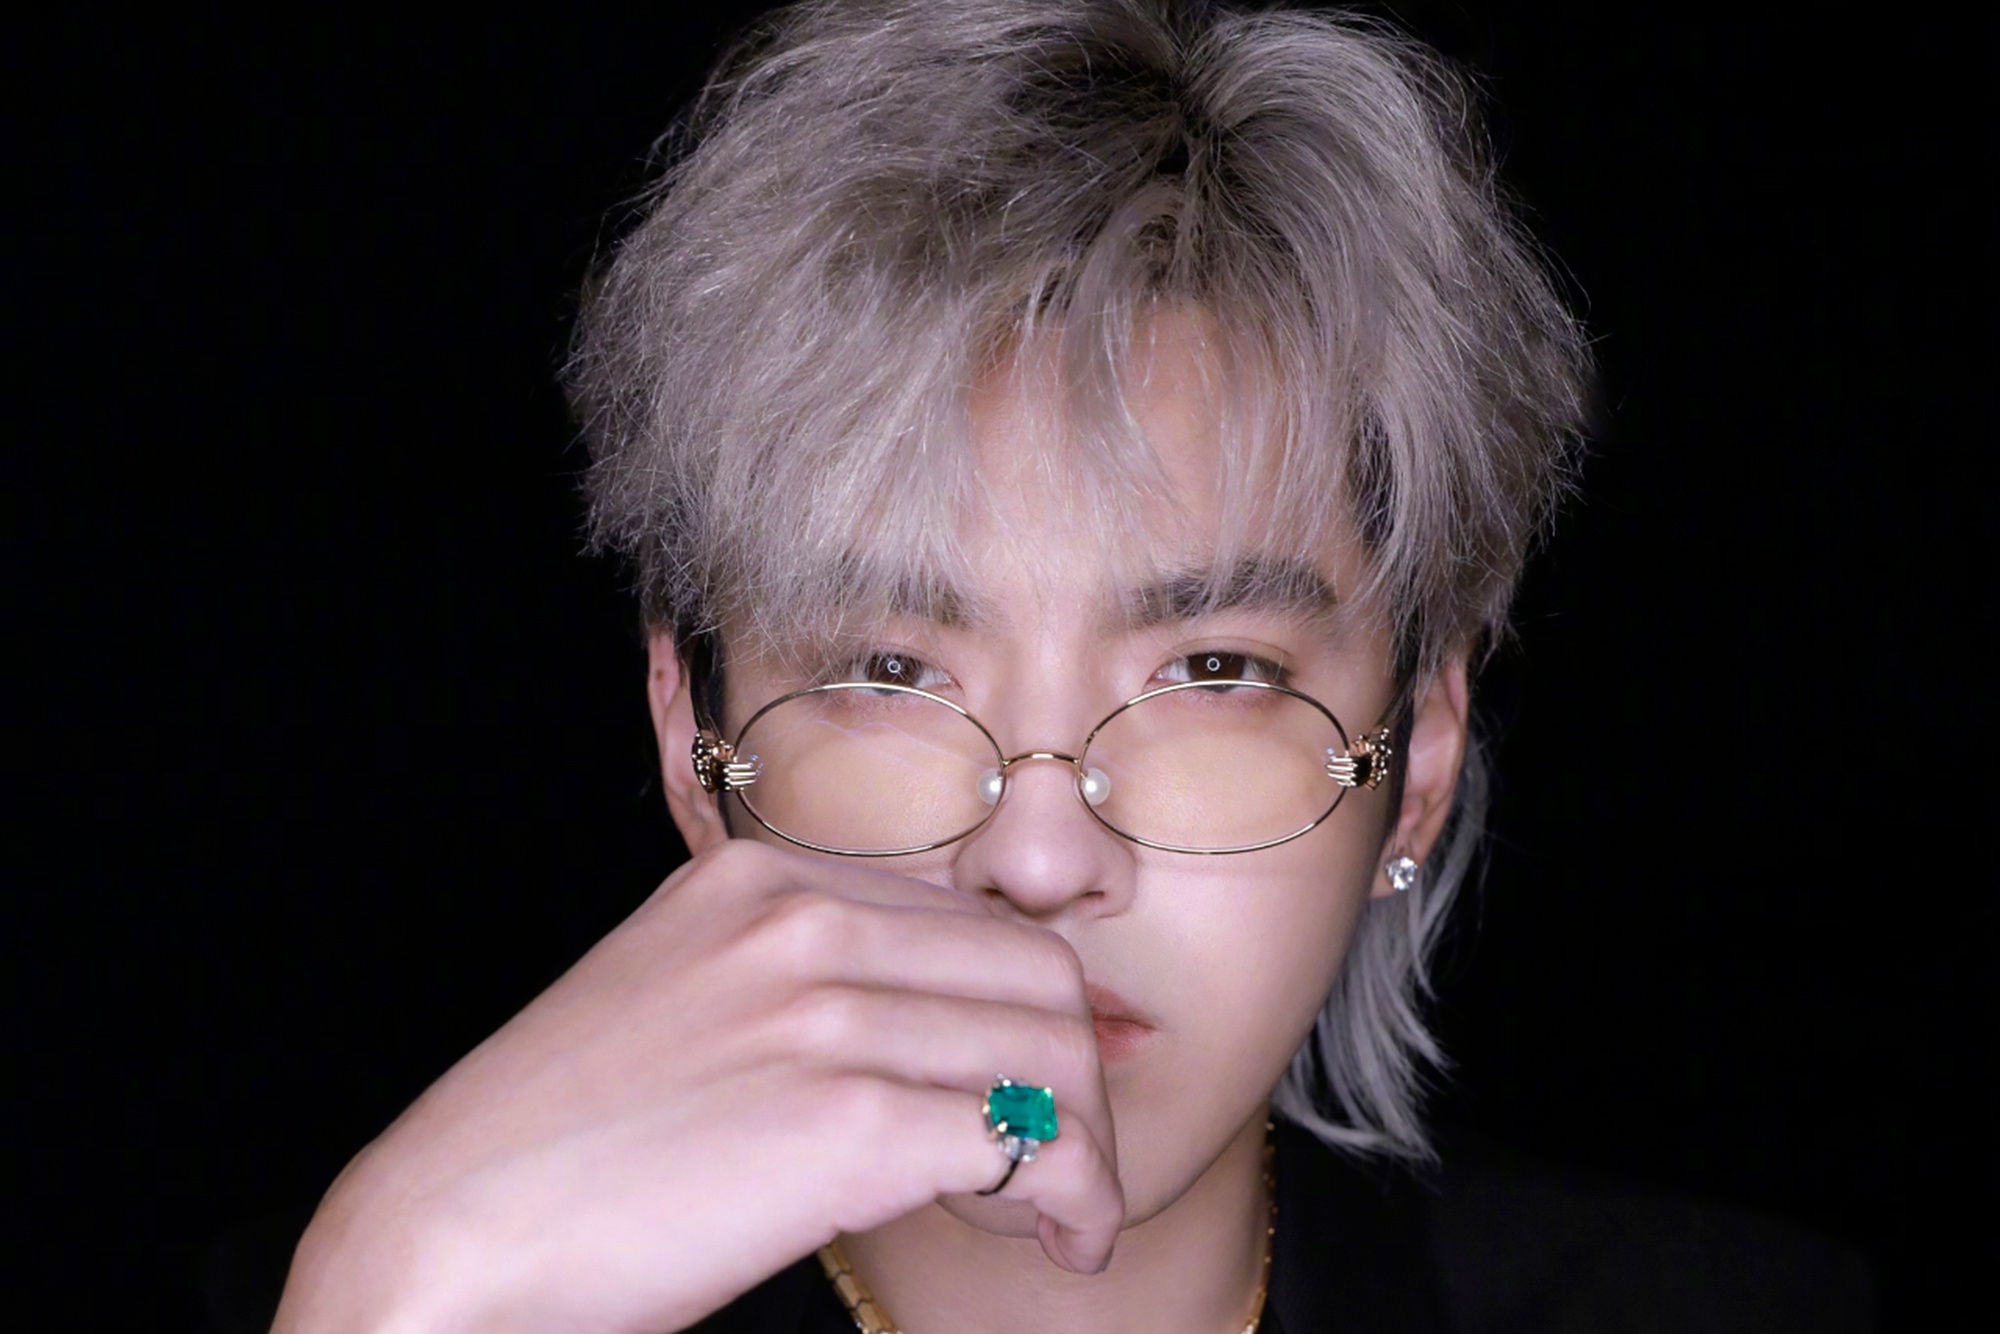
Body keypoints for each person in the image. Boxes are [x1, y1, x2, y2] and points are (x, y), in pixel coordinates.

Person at [266, 3, 1868, 1331]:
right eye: (892, 666)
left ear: (1420, 756)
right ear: (697, 748)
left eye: (1214, 666)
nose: (1038, 857)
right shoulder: (364, 1296)